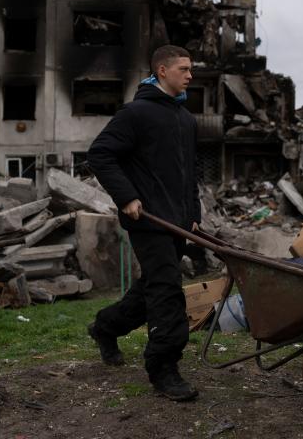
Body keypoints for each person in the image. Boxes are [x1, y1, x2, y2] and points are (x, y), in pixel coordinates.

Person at [86, 44, 200, 402]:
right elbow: (100, 154)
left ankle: (105, 328)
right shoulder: (136, 113)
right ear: (162, 71)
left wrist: (193, 215)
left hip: (177, 223)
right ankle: (163, 367)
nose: (190, 75)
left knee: (150, 288)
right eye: (183, 69)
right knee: (167, 290)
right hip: (147, 221)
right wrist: (126, 196)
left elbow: (188, 175)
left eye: (190, 68)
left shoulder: (185, 119)